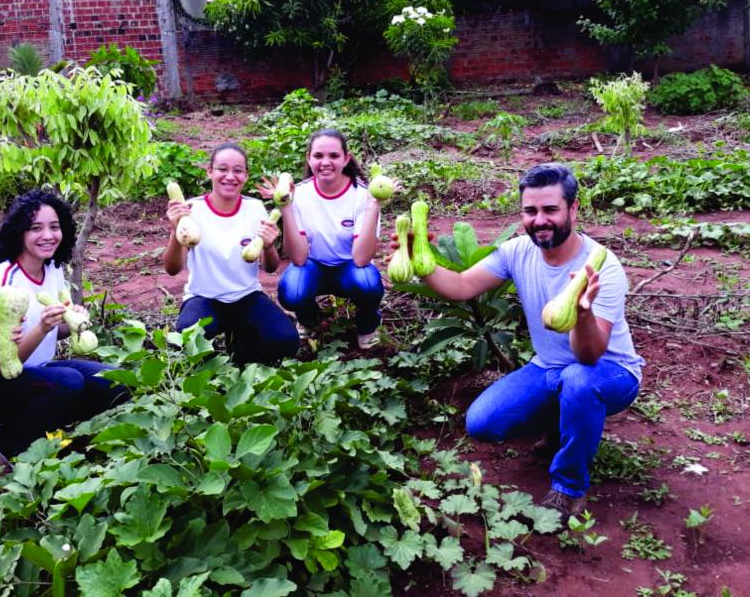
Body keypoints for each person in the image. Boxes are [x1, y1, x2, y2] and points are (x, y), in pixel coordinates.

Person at [412, 163, 643, 515]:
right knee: (483, 423)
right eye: (530, 211)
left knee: (578, 381)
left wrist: (582, 314)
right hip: (549, 368)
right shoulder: (516, 251)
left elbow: (590, 355)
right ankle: (561, 426)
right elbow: (460, 287)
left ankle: (569, 486)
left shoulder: (602, 266)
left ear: (573, 209)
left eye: (550, 209)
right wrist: (419, 258)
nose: (539, 220)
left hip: (609, 372)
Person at [0, 190, 127, 459]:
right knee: (69, 382)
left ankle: (46, 428)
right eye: (36, 228)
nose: (48, 235)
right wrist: (42, 328)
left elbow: (57, 334)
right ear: (20, 232)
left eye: (54, 227)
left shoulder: (53, 269)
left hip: (41, 371)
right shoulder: (4, 280)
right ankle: (13, 444)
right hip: (1, 382)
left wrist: (72, 321)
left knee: (117, 382)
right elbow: (3, 364)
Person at [164, 142, 299, 364]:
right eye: (222, 169)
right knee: (187, 339)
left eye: (238, 171)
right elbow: (172, 269)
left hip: (246, 296)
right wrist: (175, 230)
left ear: (245, 176)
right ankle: (219, 356)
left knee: (286, 342)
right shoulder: (191, 210)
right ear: (210, 172)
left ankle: (239, 349)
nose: (230, 176)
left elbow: (271, 268)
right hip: (204, 297)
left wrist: (268, 245)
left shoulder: (254, 208)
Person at [265, 128, 395, 350]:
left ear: (346, 159)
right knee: (292, 291)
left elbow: (362, 259)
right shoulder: (299, 196)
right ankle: (308, 320)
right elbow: (298, 258)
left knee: (368, 285)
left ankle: (367, 325)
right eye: (318, 156)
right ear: (309, 158)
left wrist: (374, 205)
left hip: (350, 268)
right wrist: (286, 207)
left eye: (334, 156)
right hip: (312, 267)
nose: (326, 162)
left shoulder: (364, 196)